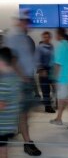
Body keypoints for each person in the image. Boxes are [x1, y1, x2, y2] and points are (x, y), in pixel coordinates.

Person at [4, 9, 42, 156]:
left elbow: (27, 58)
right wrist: (22, 77)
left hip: (26, 80)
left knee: (25, 111)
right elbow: (11, 59)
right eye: (26, 22)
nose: (28, 25)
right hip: (19, 82)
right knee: (23, 112)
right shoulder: (13, 37)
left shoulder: (25, 38)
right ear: (20, 22)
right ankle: (27, 142)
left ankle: (17, 130)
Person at [50, 28, 68, 126]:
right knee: (62, 99)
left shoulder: (60, 46)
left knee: (65, 100)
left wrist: (55, 79)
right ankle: (58, 118)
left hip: (61, 78)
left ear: (59, 35)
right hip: (67, 77)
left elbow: (57, 64)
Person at [0, 47, 21, 158]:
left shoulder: (3, 82)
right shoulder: (14, 76)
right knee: (3, 149)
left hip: (2, 125)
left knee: (2, 151)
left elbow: (1, 105)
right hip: (10, 122)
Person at [35, 31, 55, 113]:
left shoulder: (51, 46)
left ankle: (49, 103)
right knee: (45, 90)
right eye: (45, 37)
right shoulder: (40, 47)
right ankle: (48, 106)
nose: (46, 38)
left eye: (48, 37)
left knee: (55, 88)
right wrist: (41, 69)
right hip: (44, 70)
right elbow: (37, 59)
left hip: (52, 70)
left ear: (50, 38)